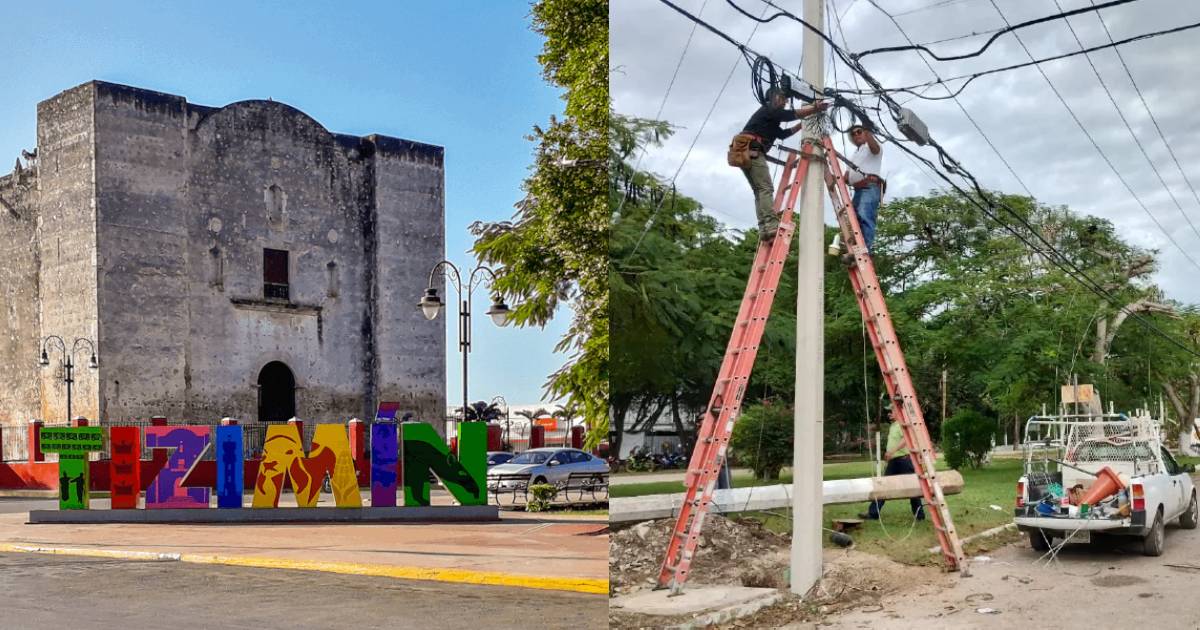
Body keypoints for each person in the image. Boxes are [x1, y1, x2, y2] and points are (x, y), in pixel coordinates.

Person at [734, 89, 828, 241]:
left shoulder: (770, 116)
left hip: (745, 152)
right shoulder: (769, 108)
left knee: (759, 190)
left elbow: (783, 134)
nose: (785, 102)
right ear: (773, 98)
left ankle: (765, 229)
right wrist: (815, 108)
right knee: (765, 188)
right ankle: (770, 226)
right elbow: (791, 115)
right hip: (752, 151)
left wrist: (803, 124)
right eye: (782, 99)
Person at [860, 413, 924, 521]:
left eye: (891, 410)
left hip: (904, 460)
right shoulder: (893, 426)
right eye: (888, 411)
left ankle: (920, 515)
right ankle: (873, 513)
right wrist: (888, 453)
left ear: (898, 411)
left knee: (912, 488)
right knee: (883, 486)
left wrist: (892, 451)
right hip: (894, 461)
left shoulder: (902, 424)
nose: (889, 413)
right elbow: (894, 442)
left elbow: (906, 440)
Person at [844, 123, 884, 251]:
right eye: (853, 134)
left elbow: (875, 148)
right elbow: (846, 177)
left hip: (870, 187)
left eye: (859, 131)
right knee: (854, 220)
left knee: (864, 214)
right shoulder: (854, 155)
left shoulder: (871, 147)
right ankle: (856, 248)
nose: (856, 135)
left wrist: (867, 130)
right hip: (858, 189)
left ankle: (865, 249)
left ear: (865, 133)